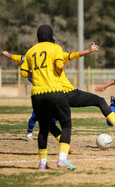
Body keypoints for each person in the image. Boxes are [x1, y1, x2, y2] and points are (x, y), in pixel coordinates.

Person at [2, 44, 115, 145]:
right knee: (99, 101)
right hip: (69, 94)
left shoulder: (33, 56)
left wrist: (7, 55)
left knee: (48, 121)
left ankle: (64, 145)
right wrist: (89, 50)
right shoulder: (58, 54)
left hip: (51, 96)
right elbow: (74, 55)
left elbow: (19, 58)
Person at [20, 24, 75, 170]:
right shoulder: (55, 48)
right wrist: (56, 70)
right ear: (51, 35)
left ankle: (42, 163)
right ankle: (62, 159)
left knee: (43, 129)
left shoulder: (31, 51)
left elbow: (24, 73)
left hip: (37, 94)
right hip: (55, 91)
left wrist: (37, 74)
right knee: (66, 124)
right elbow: (60, 66)